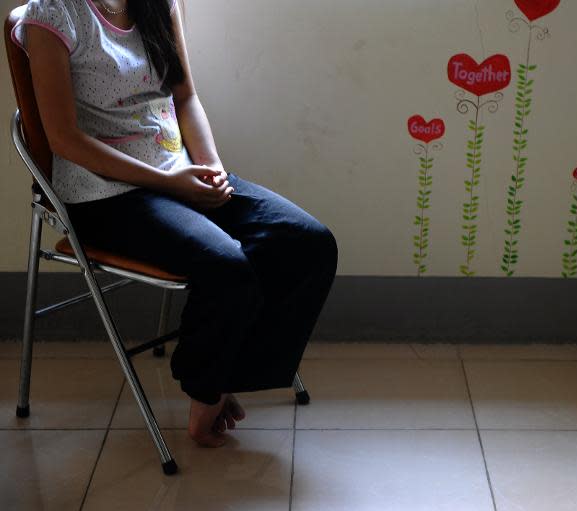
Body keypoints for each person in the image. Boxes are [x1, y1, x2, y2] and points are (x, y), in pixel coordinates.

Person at [12, 0, 338, 447]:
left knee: (307, 243)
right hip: (104, 196)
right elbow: (63, 139)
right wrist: (170, 182)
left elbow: (184, 96)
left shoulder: (158, 3)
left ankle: (226, 377)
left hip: (177, 173)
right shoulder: (53, 15)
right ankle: (205, 393)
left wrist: (211, 171)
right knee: (227, 266)